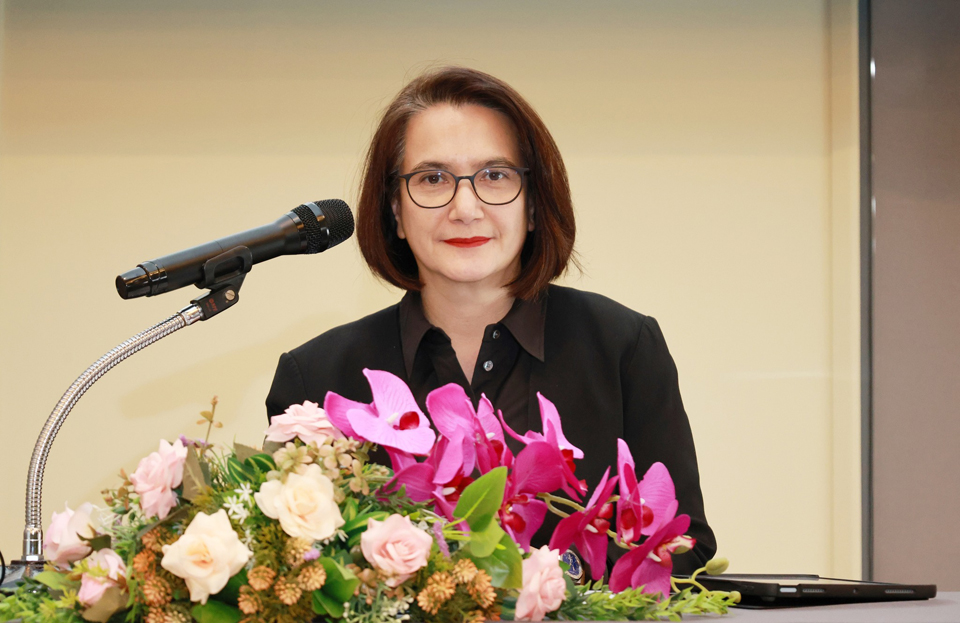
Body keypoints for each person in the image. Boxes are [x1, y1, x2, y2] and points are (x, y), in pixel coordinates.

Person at [266, 66, 716, 575]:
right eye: (432, 178)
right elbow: (295, 567)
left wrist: (545, 585)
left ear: (532, 204)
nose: (465, 208)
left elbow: (683, 550)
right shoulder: (315, 378)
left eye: (495, 176)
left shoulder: (622, 348)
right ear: (395, 209)